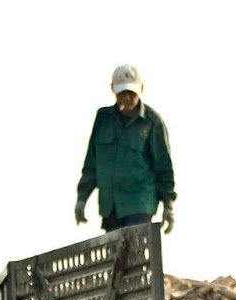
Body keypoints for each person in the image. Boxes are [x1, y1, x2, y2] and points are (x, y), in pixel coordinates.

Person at [75, 64, 176, 235]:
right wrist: (82, 198)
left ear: (140, 90)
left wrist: (168, 205)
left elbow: (163, 167)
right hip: (111, 205)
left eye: (132, 93)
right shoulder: (103, 120)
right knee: (115, 256)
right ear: (113, 91)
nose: (127, 98)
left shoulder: (152, 122)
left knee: (133, 246)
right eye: (122, 93)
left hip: (140, 202)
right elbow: (92, 163)